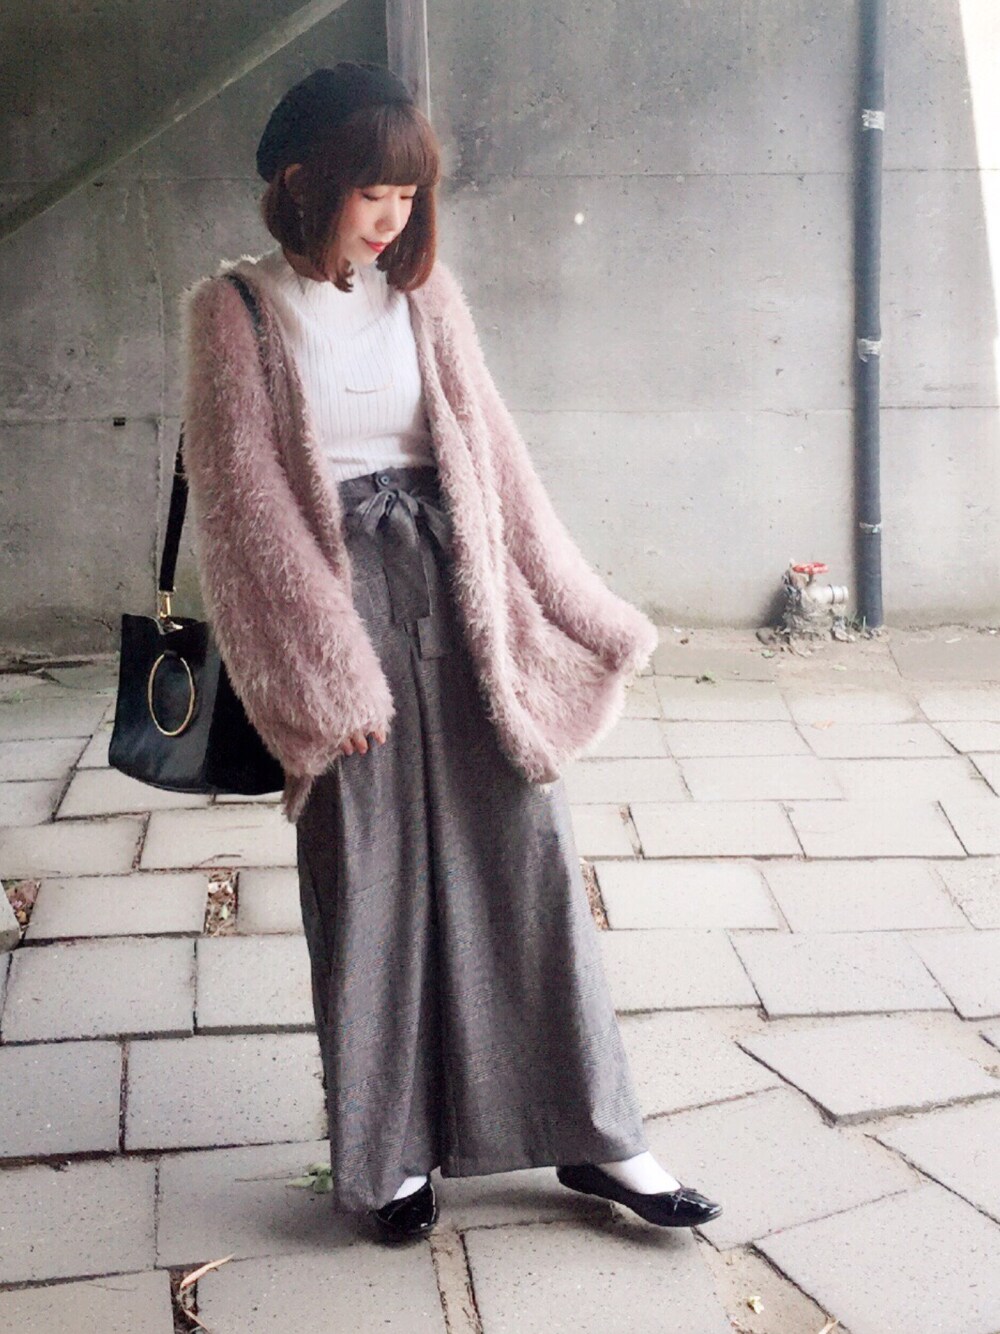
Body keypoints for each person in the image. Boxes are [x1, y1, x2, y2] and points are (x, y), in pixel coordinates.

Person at [179, 62, 723, 1243]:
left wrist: (584, 607)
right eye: (372, 190)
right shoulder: (236, 309)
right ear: (302, 179)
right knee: (367, 878)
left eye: (408, 193)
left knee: (527, 853)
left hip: (459, 593)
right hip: (333, 610)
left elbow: (495, 456)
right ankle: (386, 1156)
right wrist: (326, 673)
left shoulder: (425, 297)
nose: (393, 215)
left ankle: (598, 1132)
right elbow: (243, 510)